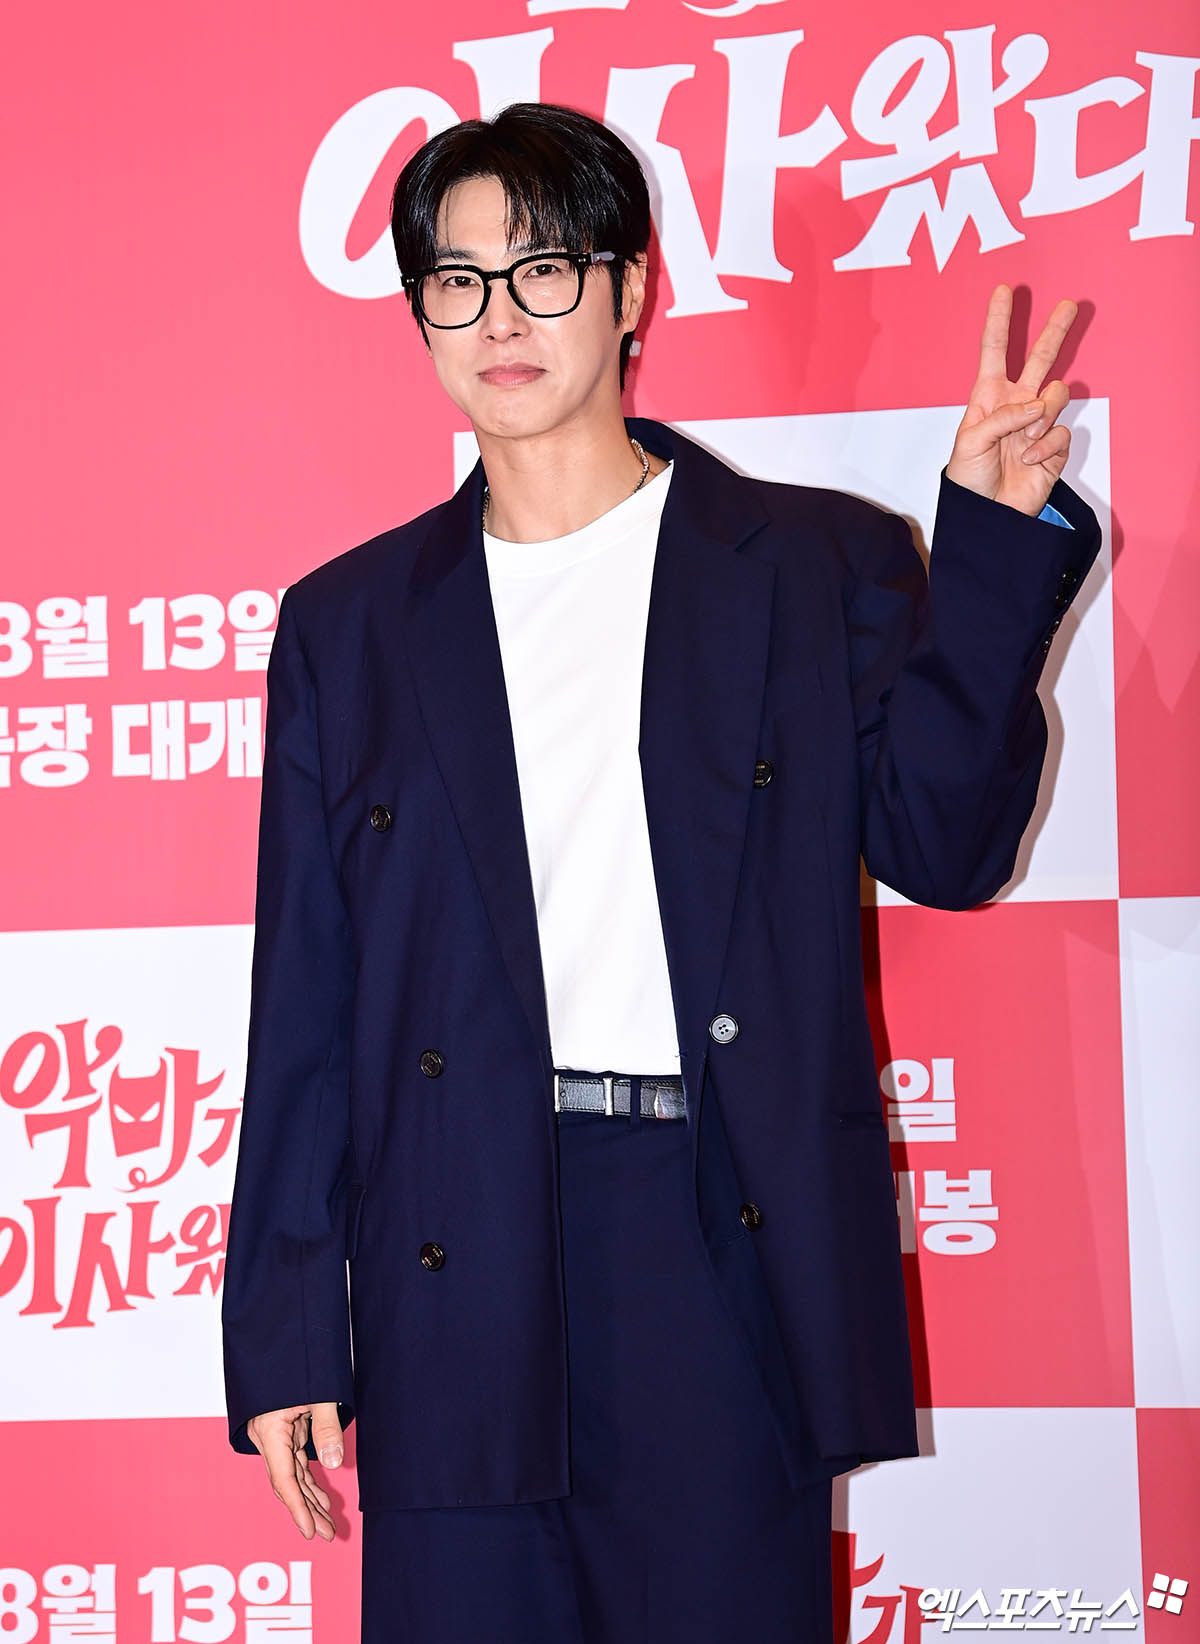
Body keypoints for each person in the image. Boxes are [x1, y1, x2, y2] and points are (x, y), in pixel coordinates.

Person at [221, 101, 1101, 1644]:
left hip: (716, 1229)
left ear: (630, 290)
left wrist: (985, 550)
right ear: (419, 315)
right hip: (452, 1243)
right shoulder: (349, 627)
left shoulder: (811, 563)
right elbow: (306, 997)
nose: (502, 318)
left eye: (546, 269)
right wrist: (289, 1320)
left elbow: (948, 849)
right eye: (459, 280)